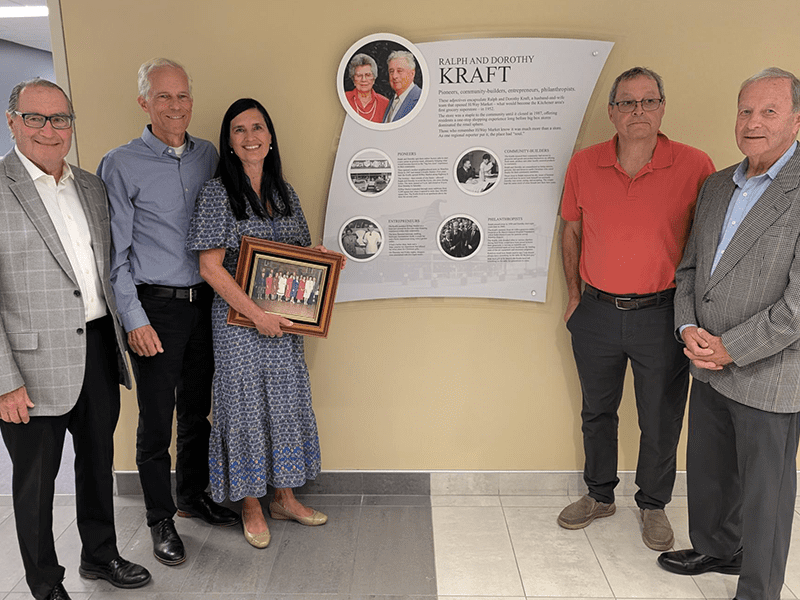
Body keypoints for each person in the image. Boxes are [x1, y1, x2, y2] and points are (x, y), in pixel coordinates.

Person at [0, 78, 151, 599]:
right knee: (36, 485)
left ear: (71, 124)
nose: (49, 129)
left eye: (59, 118)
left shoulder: (90, 186)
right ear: (12, 120)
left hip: (96, 347)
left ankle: (100, 554)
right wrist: (4, 382)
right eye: (36, 118)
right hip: (30, 367)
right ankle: (45, 584)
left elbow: (106, 270)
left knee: (96, 460)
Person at [558, 67, 715, 551]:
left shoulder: (695, 165)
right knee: (597, 411)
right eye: (627, 103)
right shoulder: (585, 164)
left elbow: (708, 243)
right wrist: (573, 298)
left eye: (648, 101)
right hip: (597, 312)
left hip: (663, 314)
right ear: (612, 112)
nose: (638, 111)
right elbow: (570, 231)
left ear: (663, 108)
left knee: (661, 416)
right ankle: (599, 494)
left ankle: (653, 504)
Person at [657, 67, 800, 600]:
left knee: (766, 492)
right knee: (711, 470)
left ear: (796, 120)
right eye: (745, 111)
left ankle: (758, 588)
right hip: (706, 359)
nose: (753, 122)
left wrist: (731, 347)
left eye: (768, 112)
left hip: (769, 369)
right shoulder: (718, 184)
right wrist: (689, 326)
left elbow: (798, 305)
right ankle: (718, 546)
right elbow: (691, 269)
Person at [98, 58, 240, 567]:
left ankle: (192, 497)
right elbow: (113, 254)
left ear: (191, 100)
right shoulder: (120, 163)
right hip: (155, 306)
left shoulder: (207, 155)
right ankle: (160, 519)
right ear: (144, 102)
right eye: (163, 97)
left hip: (206, 303)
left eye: (182, 96)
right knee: (156, 422)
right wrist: (133, 318)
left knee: (197, 409)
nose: (174, 106)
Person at [187, 97, 342, 548]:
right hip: (238, 324)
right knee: (244, 408)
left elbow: (301, 259)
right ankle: (252, 505)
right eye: (239, 130)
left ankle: (285, 498)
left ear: (270, 138)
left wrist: (328, 265)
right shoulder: (216, 193)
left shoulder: (285, 193)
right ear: (229, 142)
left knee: (284, 401)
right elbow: (210, 268)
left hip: (285, 325)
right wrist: (257, 315)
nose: (250, 137)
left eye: (258, 127)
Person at [345, 53, 390, 123]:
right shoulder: (345, 98)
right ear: (353, 79)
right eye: (359, 75)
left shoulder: (385, 103)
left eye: (368, 75)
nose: (363, 79)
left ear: (374, 78)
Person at [382, 50, 422, 123]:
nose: (394, 76)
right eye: (391, 71)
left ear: (412, 74)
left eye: (399, 71)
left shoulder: (421, 99)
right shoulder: (391, 102)